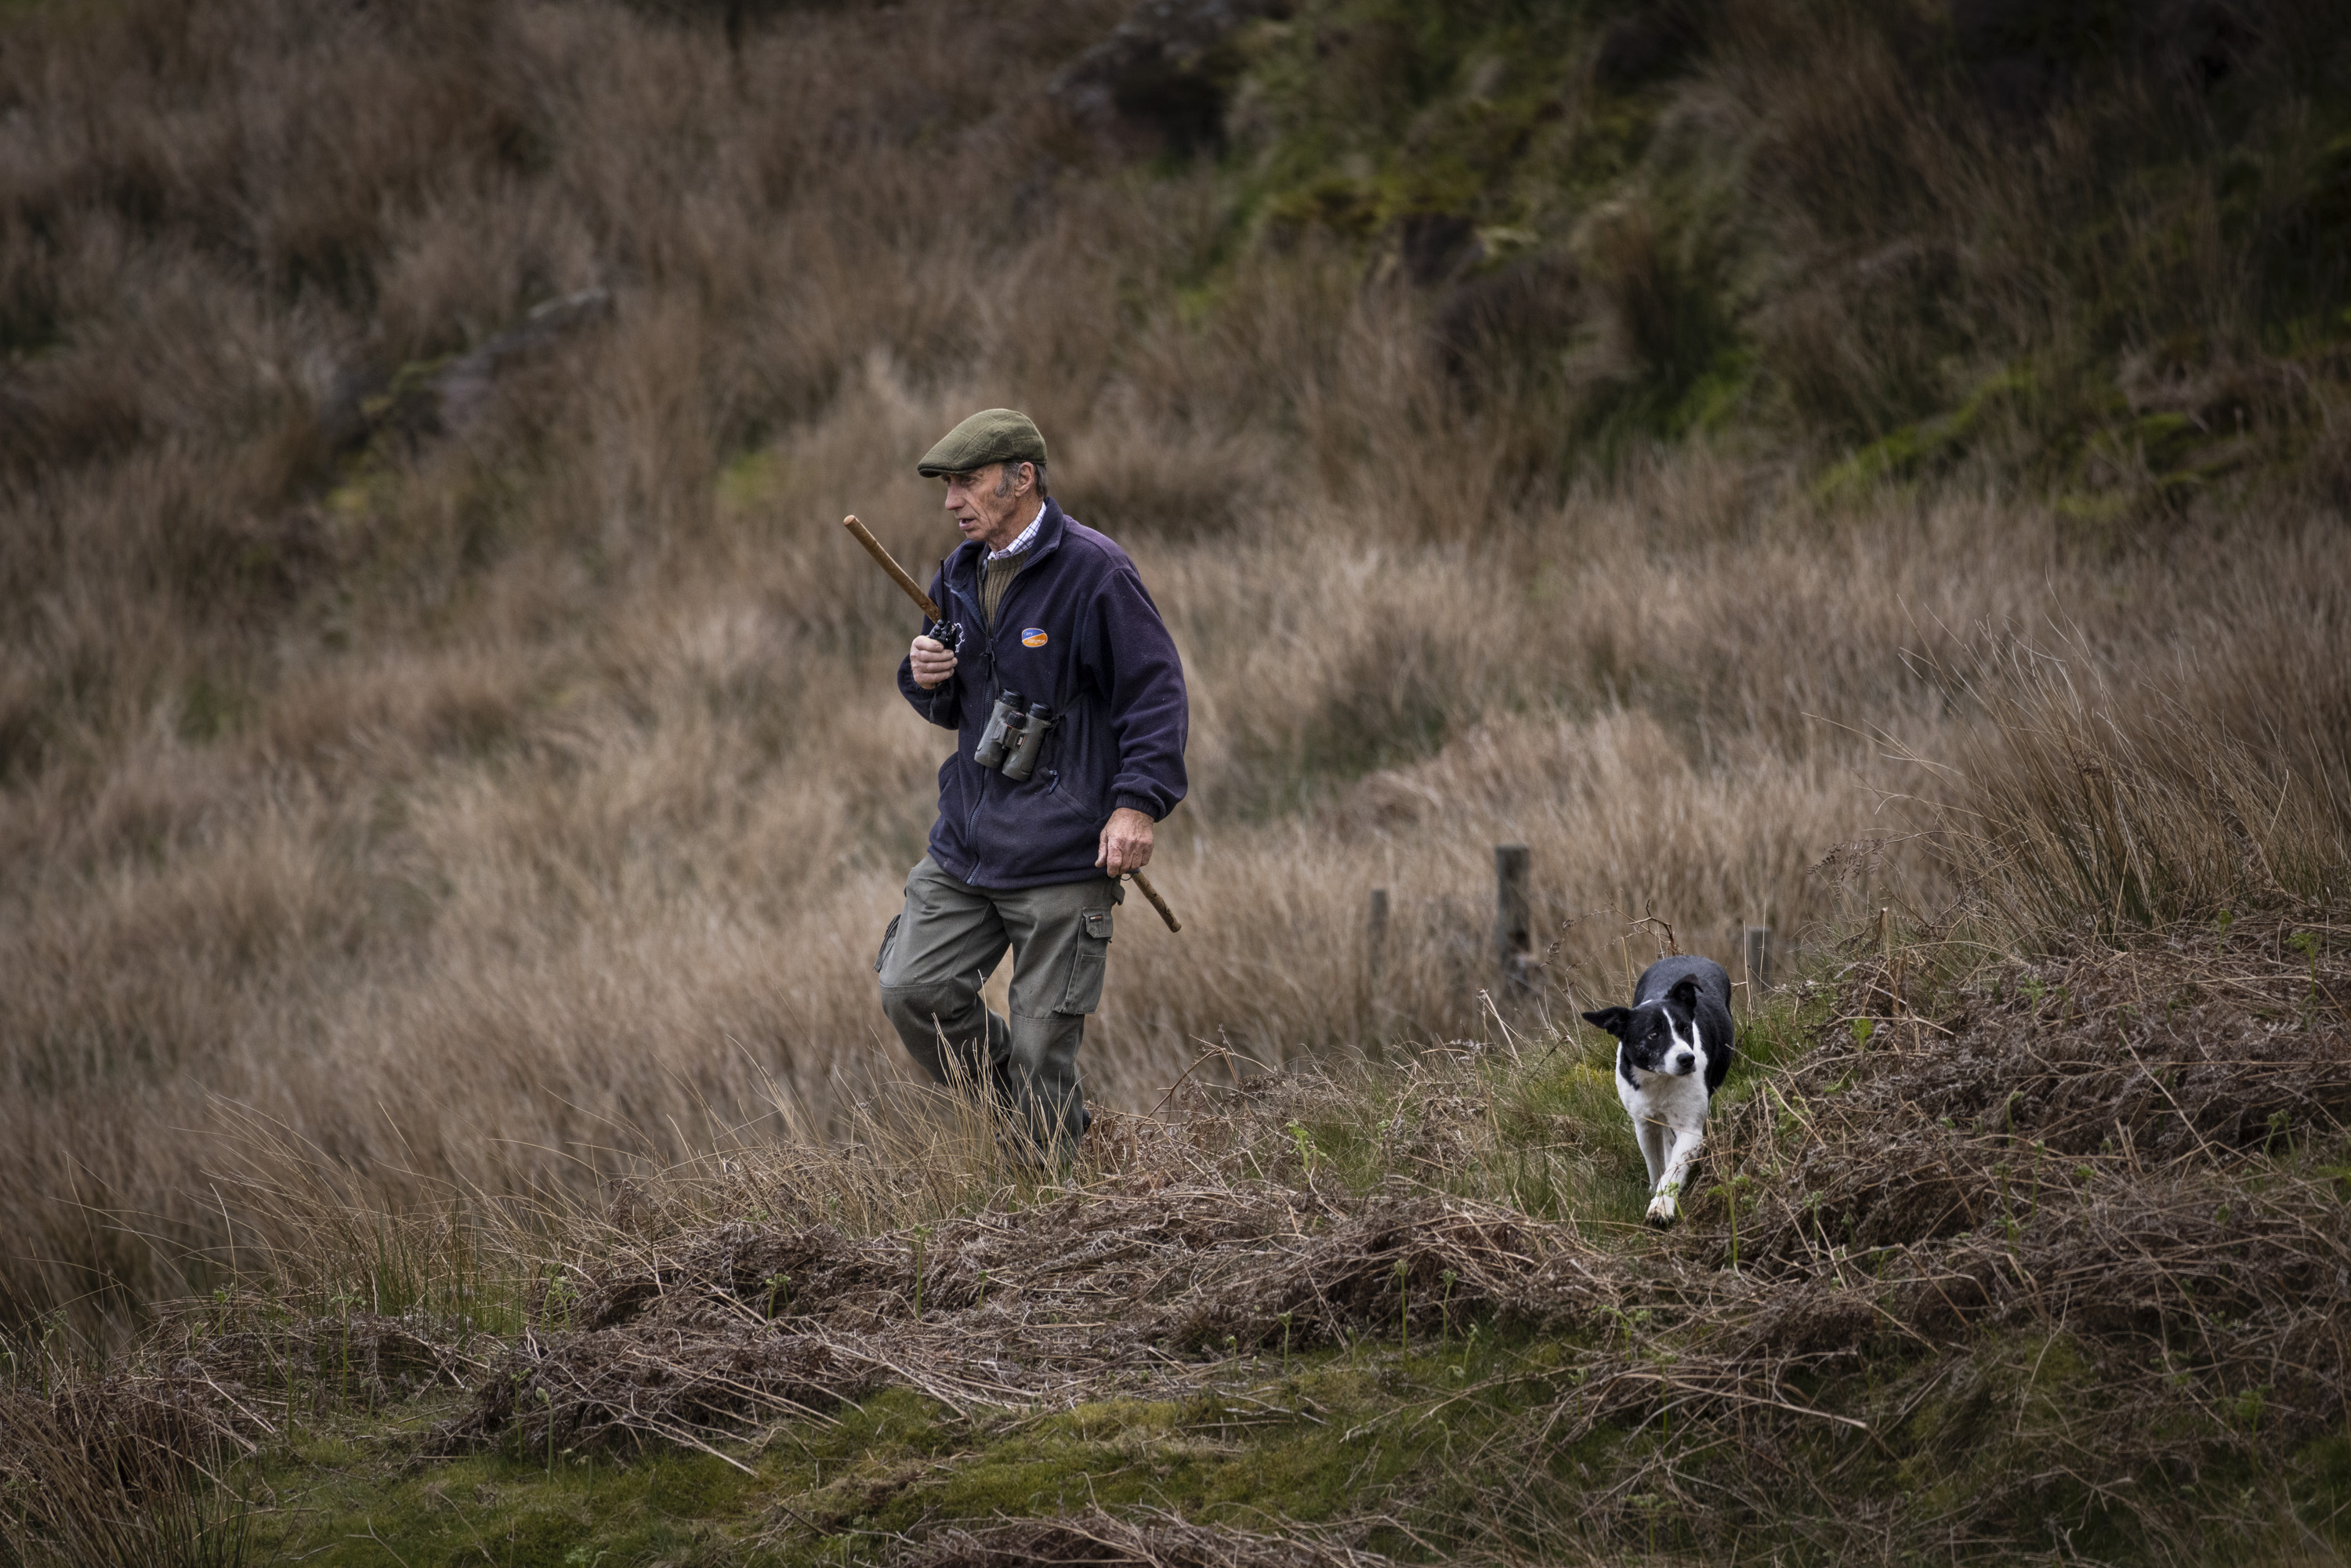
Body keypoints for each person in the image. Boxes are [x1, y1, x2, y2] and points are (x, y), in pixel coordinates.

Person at [874, 408, 1189, 1157]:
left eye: (966, 481)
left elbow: (1155, 692)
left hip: (1064, 852)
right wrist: (925, 674)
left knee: (1045, 1049)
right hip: (968, 846)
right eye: (947, 485)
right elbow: (954, 700)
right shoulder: (959, 573)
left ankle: (1047, 1185)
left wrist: (1136, 805)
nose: (951, 501)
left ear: (1022, 479)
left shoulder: (1096, 571)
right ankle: (1032, 1120)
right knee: (911, 989)